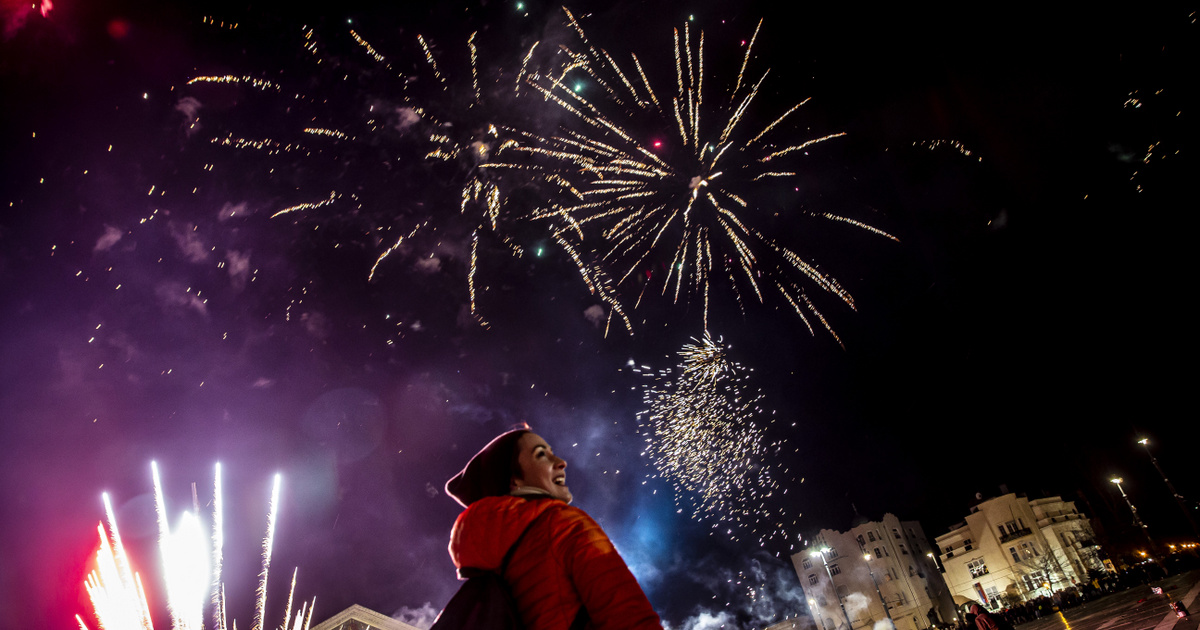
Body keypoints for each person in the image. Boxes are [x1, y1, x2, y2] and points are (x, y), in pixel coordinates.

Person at [445, 427, 664, 630]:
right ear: (514, 481)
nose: (561, 462)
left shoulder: (487, 552)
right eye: (541, 455)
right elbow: (628, 615)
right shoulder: (564, 524)